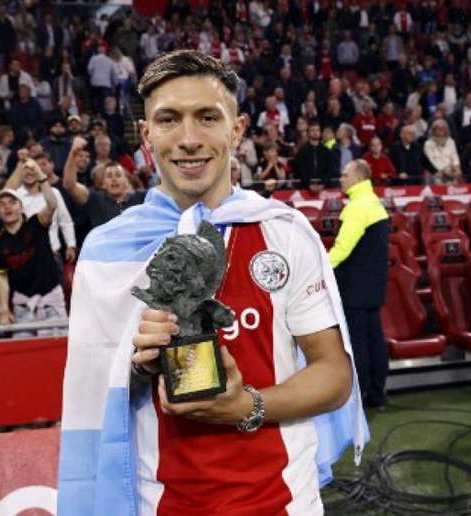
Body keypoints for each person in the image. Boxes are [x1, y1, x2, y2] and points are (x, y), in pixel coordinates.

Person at [57, 50, 366, 515]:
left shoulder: (284, 231)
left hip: (284, 503)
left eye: (207, 117)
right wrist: (138, 367)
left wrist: (247, 406)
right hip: (159, 504)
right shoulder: (108, 251)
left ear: (237, 129)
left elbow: (334, 376)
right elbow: (88, 395)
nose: (188, 139)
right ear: (146, 135)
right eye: (168, 120)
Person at [328, 159, 389, 407]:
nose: (341, 178)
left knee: (358, 342)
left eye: (345, 174)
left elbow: (343, 248)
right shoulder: (375, 203)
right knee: (375, 339)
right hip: (374, 286)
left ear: (358, 178)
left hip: (354, 287)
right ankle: (377, 392)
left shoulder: (356, 207)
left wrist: (322, 270)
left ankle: (359, 396)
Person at [0, 164, 67, 336]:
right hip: (22, 306)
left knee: (56, 354)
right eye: (2, 204)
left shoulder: (36, 223)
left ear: (21, 207)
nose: (8, 207)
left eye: (12, 202)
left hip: (50, 301)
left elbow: (52, 204)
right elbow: (2, 277)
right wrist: (4, 309)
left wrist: (41, 176)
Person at [62, 137, 145, 229]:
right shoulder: (95, 199)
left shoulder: (141, 197)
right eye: (109, 176)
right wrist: (73, 153)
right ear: (103, 184)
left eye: (118, 175)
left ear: (126, 181)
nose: (114, 179)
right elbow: (69, 185)